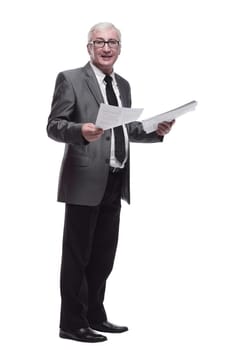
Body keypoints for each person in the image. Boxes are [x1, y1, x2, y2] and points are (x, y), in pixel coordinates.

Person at [47, 22, 175, 343]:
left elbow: (125, 130)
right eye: (100, 42)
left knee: (104, 253)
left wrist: (154, 131)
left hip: (116, 179)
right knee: (77, 254)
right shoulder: (71, 79)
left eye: (113, 42)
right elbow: (54, 125)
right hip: (83, 178)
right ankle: (71, 323)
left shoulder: (124, 85)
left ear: (120, 48)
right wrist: (80, 131)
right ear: (88, 47)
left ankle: (94, 315)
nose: (106, 48)